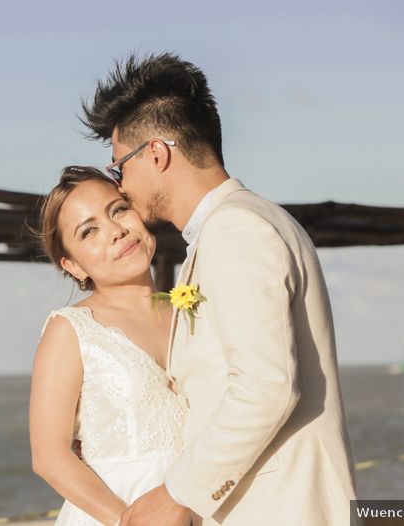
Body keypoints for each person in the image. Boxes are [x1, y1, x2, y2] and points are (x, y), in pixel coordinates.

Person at [82, 53, 359, 526]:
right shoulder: (234, 227)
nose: (121, 188)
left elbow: (266, 387)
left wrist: (176, 494)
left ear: (155, 153)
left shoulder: (237, 230)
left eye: (118, 168)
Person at [29, 166, 190, 526]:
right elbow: (49, 456)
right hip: (116, 515)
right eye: (89, 231)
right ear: (73, 265)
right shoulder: (70, 330)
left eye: (118, 210)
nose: (116, 231)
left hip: (201, 505)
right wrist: (130, 522)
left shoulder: (190, 310)